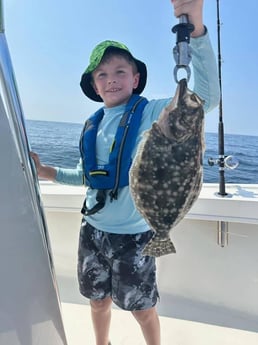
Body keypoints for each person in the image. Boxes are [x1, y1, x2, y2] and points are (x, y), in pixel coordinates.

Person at [31, 1, 220, 344]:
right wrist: (47, 171)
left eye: (119, 71)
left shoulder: (151, 114)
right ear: (94, 85)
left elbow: (205, 98)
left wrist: (196, 31)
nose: (111, 79)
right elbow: (88, 176)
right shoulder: (94, 123)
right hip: (92, 230)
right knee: (97, 300)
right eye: (102, 74)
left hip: (136, 236)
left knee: (142, 308)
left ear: (135, 79)